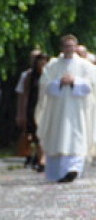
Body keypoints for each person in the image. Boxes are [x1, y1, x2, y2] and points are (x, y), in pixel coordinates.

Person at [36, 34, 96, 183]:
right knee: (58, 137)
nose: (69, 49)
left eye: (72, 46)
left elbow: (91, 86)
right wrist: (59, 82)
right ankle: (58, 173)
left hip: (78, 110)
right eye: (66, 46)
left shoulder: (85, 66)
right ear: (62, 47)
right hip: (57, 110)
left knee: (76, 137)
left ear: (76, 47)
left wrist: (75, 81)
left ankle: (73, 169)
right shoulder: (53, 65)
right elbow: (45, 86)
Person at [16, 50, 48, 171]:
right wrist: (21, 113)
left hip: (46, 108)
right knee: (35, 135)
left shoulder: (51, 74)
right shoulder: (29, 76)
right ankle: (37, 158)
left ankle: (41, 160)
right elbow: (24, 94)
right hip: (33, 109)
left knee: (43, 135)